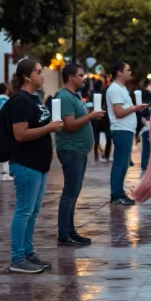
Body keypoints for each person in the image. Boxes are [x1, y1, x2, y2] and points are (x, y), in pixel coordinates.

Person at [8, 57, 63, 273]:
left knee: (33, 211)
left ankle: (28, 252)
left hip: (39, 165)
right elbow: (20, 135)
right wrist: (49, 128)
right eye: (38, 72)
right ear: (26, 76)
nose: (42, 75)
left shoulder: (35, 98)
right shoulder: (21, 100)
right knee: (24, 211)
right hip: (26, 163)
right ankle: (17, 257)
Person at [55, 63, 105, 246]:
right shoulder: (65, 97)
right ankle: (64, 233)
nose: (84, 78)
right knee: (70, 192)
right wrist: (90, 116)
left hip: (78, 150)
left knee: (73, 192)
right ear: (70, 77)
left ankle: (70, 230)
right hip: (71, 150)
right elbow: (70, 125)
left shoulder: (74, 96)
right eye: (81, 75)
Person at [107, 62, 149, 206]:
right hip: (121, 129)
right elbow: (118, 112)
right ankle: (116, 194)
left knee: (124, 163)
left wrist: (137, 111)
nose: (130, 72)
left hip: (126, 129)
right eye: (128, 70)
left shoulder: (122, 89)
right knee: (120, 163)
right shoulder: (114, 89)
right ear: (119, 72)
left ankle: (119, 192)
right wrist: (135, 108)